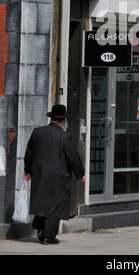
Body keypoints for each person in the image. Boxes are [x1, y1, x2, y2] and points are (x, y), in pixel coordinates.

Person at [23, 105, 86, 245]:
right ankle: (48, 236)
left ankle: (40, 231)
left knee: (41, 201)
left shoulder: (37, 132)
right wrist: (80, 174)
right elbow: (73, 156)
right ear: (62, 120)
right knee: (55, 204)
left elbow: (28, 154)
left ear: (51, 118)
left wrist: (27, 171)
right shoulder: (64, 136)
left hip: (39, 174)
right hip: (58, 176)